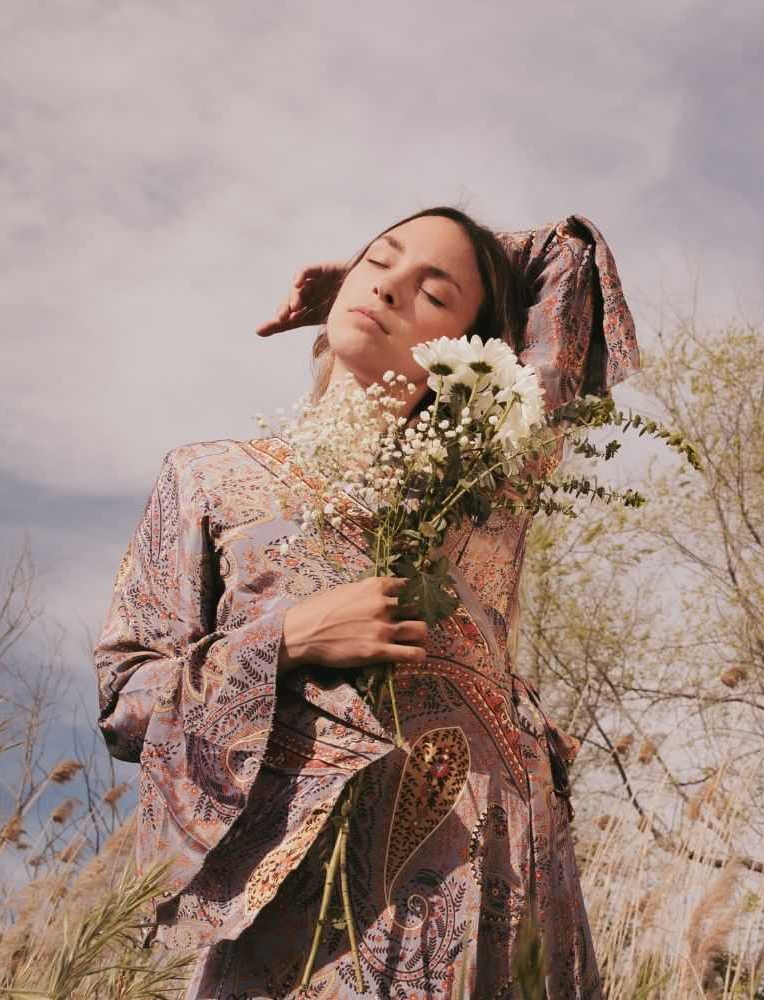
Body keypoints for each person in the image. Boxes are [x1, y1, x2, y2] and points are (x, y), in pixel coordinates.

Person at [93, 206, 639, 999]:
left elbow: (570, 260)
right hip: (302, 895)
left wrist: (343, 289)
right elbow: (125, 698)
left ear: (470, 350)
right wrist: (282, 642)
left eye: (433, 292)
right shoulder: (207, 478)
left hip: (485, 879)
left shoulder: (485, 484)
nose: (388, 287)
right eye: (379, 261)